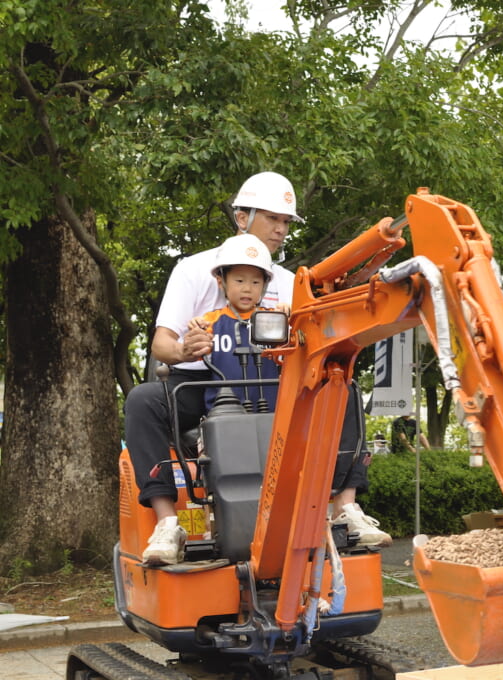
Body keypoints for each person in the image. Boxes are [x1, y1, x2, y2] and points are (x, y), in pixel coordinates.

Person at [125, 172, 387, 565]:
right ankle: (167, 521)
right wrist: (184, 349)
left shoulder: (292, 282)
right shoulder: (193, 269)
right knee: (143, 401)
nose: (281, 230)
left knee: (342, 388)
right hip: (206, 383)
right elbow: (163, 343)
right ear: (241, 217)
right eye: (272, 218)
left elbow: (324, 341)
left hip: (272, 382)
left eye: (285, 222)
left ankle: (345, 508)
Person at [188, 234, 284, 411]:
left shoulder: (274, 320)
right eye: (239, 281)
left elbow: (293, 351)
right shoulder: (211, 321)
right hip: (223, 411)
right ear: (221, 281)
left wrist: (291, 316)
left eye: (255, 282)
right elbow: (195, 349)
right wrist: (196, 331)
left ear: (264, 286)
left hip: (271, 411)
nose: (247, 288)